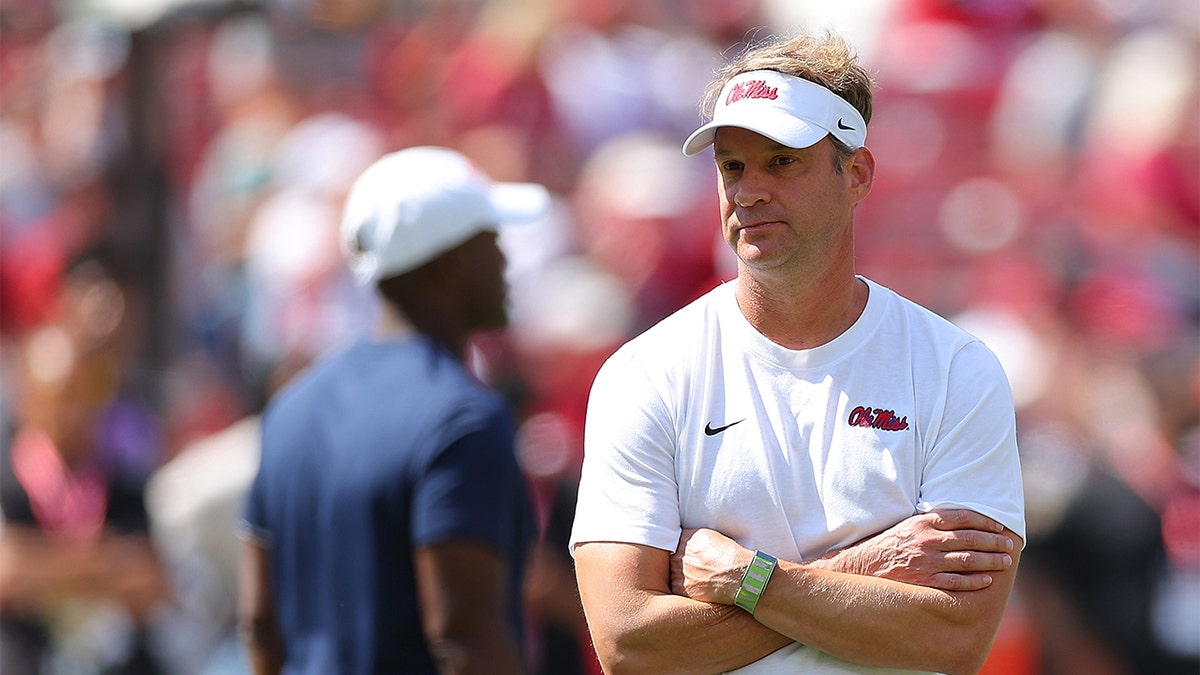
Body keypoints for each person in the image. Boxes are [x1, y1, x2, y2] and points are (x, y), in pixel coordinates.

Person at [569, 31, 1026, 675]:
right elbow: (627, 641)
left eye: (781, 162)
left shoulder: (956, 368)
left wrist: (745, 579)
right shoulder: (645, 374)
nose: (748, 191)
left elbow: (956, 638)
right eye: (732, 166)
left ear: (857, 174)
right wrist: (866, 570)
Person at [237, 146, 547, 674]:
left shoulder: (290, 409)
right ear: (446, 263)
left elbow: (259, 622)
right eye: (490, 237)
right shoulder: (463, 419)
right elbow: (464, 636)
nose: (504, 256)